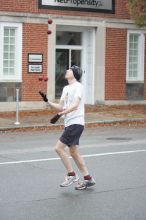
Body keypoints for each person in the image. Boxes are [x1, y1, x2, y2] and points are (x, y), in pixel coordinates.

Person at [40, 65, 95, 190]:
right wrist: (48, 101)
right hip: (70, 123)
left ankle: (71, 175)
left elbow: (75, 105)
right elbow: (60, 106)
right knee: (74, 152)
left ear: (74, 73)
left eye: (69, 70)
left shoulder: (78, 87)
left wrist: (62, 113)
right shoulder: (65, 88)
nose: (66, 71)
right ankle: (88, 179)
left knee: (58, 148)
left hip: (76, 122)